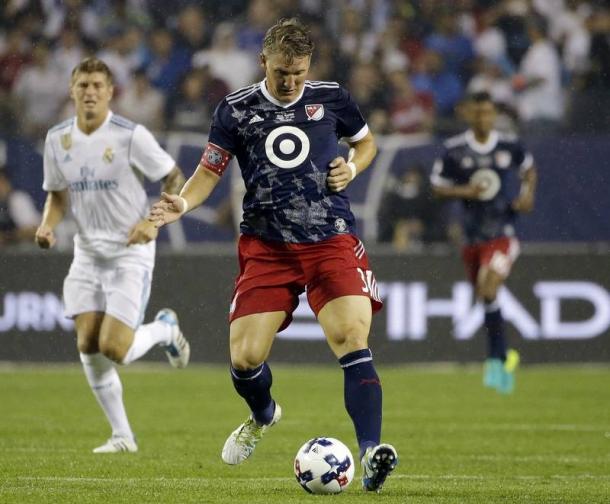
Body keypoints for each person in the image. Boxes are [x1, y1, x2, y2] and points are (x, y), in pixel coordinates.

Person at [149, 18, 398, 492]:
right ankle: (263, 415)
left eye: (299, 73)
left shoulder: (332, 98)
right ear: (264, 61)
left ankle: (370, 455)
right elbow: (209, 171)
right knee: (245, 358)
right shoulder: (235, 110)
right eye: (283, 72)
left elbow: (366, 143)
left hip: (331, 239)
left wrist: (352, 167)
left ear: (309, 67)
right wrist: (182, 201)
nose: (290, 82)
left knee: (350, 336)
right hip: (267, 247)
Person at [35, 57, 190, 453]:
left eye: (97, 86)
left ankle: (165, 330)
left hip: (129, 251)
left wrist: (153, 221)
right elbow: (57, 194)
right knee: (87, 343)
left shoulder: (129, 135)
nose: (89, 92)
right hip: (86, 252)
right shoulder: (57, 139)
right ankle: (123, 436)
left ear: (110, 93)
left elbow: (173, 176)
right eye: (82, 85)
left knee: (115, 349)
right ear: (71, 90)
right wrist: (47, 224)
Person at [430, 91, 537, 394]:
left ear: (494, 114)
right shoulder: (454, 150)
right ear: (468, 114)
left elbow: (529, 169)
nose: (483, 118)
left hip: (502, 233)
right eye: (478, 113)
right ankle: (501, 358)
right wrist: (466, 192)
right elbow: (437, 187)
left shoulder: (509, 145)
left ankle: (496, 360)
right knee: (485, 296)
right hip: (472, 236)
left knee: (489, 286)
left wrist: (527, 195)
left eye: (488, 113)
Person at [0, 167, 40, 246]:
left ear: (8, 183)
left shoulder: (17, 200)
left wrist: (7, 237)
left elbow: (36, 231)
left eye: (1, 182)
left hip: (21, 253)